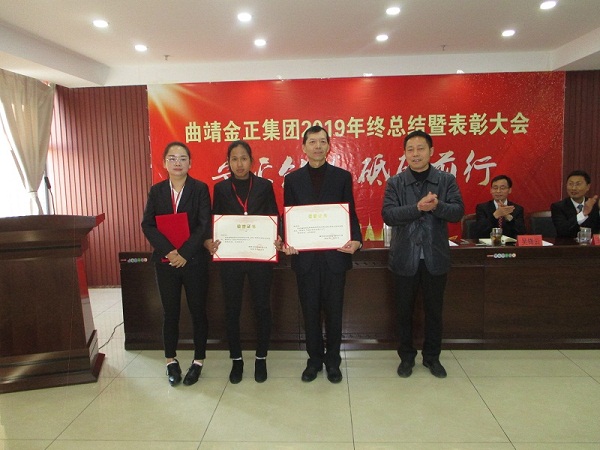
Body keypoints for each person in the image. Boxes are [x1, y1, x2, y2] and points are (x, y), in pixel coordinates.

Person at [282, 125, 362, 384]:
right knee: (310, 312)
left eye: (322, 141)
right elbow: (288, 215)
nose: (318, 146)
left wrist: (357, 239)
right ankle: (314, 360)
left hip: (334, 257)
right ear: (303, 147)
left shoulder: (341, 177)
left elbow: (349, 212)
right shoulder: (293, 180)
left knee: (334, 312)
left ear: (329, 146)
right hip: (305, 258)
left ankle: (333, 361)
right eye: (312, 142)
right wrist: (287, 241)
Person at [381, 130, 464, 379]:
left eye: (420, 148)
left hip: (434, 258)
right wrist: (417, 207)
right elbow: (388, 215)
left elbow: (457, 212)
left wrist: (437, 206)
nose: (415, 154)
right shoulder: (395, 183)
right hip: (404, 258)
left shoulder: (446, 180)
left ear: (431, 151)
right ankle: (406, 358)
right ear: (405, 154)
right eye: (410, 149)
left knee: (434, 313)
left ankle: (432, 358)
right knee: (403, 313)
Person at [205, 140, 280, 384]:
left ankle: (261, 357)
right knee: (232, 309)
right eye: (234, 159)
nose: (239, 164)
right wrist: (211, 240)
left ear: (251, 161)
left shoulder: (264, 186)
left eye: (244, 158)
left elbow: (273, 216)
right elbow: (215, 219)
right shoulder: (221, 189)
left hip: (259, 257)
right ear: (228, 162)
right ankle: (236, 359)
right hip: (232, 259)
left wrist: (277, 236)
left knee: (262, 308)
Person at [141, 141, 211, 386]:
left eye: (182, 158)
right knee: (170, 312)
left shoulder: (200, 189)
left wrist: (184, 253)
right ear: (164, 163)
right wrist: (170, 252)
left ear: (190, 163)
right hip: (166, 262)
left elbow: (203, 225)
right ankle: (170, 360)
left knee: (198, 311)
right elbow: (147, 224)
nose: (177, 162)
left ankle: (198, 361)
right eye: (172, 158)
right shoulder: (157, 191)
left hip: (194, 261)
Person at [472, 174, 526, 239]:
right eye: (495, 188)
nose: (498, 191)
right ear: (491, 190)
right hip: (488, 244)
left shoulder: (516, 209)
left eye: (502, 188)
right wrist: (495, 215)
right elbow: (479, 232)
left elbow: (522, 233)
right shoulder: (482, 208)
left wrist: (509, 218)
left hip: (510, 245)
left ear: (509, 190)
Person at [551, 169, 600, 238]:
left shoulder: (593, 204)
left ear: (588, 187)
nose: (573, 188)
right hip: (567, 244)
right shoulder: (558, 207)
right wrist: (583, 214)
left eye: (578, 184)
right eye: (570, 184)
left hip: (590, 244)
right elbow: (562, 230)